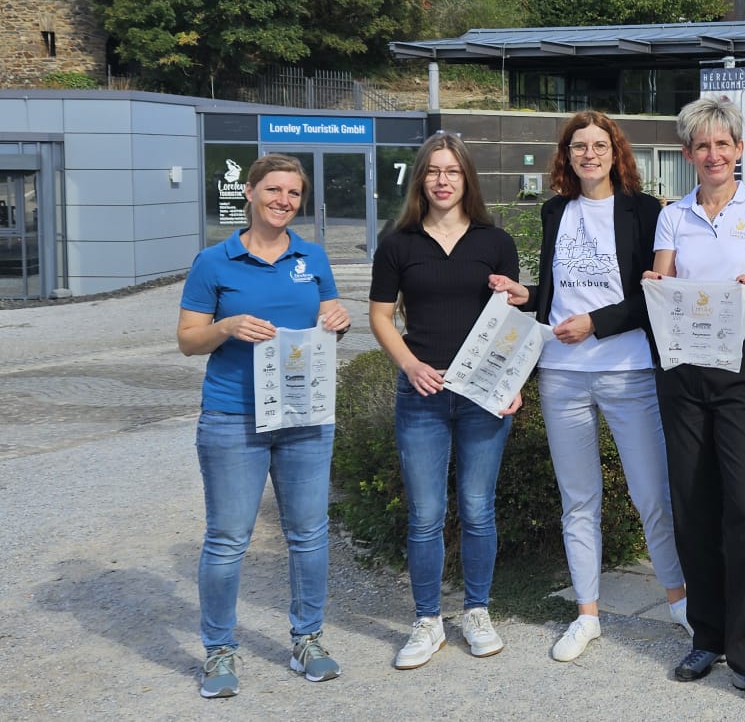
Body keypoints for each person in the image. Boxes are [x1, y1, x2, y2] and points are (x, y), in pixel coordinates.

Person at [487, 110, 689, 662]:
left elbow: (654, 294)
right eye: (579, 146)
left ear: (616, 152)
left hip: (628, 370)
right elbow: (560, 290)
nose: (589, 154)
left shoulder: (644, 211)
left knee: (653, 496)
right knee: (578, 500)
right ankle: (587, 614)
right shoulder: (555, 210)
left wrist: (595, 324)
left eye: (600, 145)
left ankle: (680, 602)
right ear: (567, 155)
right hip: (561, 374)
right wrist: (527, 295)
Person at [176, 153, 352, 699]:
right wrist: (226, 326)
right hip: (233, 416)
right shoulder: (213, 261)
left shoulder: (312, 256)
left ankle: (307, 640)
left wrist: (338, 321)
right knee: (228, 539)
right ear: (250, 192)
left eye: (293, 193)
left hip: (303, 414)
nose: (283, 201)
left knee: (309, 534)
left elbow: (328, 319)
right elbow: (187, 340)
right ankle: (219, 650)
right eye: (273, 190)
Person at [646, 96, 745, 709]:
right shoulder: (673, 216)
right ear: (688, 154)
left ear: (739, 149)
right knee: (693, 505)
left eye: (722, 144)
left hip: (740, 371)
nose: (713, 154)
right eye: (702, 145)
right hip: (683, 371)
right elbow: (662, 279)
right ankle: (706, 636)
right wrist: (655, 285)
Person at [368, 132, 523, 671]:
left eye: (452, 171)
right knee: (426, 515)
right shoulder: (398, 243)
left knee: (478, 510)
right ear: (421, 179)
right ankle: (427, 620)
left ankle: (477, 611)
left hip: (482, 396)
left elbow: (510, 319)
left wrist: (511, 381)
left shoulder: (494, 241)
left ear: (466, 179)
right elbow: (380, 317)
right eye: (433, 171)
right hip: (422, 395)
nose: (442, 180)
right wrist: (409, 365)